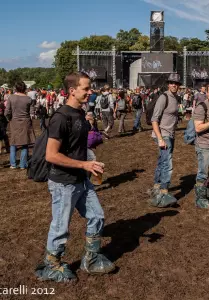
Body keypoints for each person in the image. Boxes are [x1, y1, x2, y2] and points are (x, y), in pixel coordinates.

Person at [35, 72, 115, 283]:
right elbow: (51, 155)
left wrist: (91, 162)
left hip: (81, 179)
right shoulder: (61, 117)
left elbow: (77, 147)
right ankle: (52, 264)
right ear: (72, 90)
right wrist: (84, 164)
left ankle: (91, 257)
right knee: (61, 227)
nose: (91, 92)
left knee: (97, 216)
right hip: (63, 183)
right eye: (86, 88)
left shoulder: (80, 113)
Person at [148, 73, 180, 208]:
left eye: (176, 83)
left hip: (170, 134)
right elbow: (154, 120)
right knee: (167, 163)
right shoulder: (164, 97)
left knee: (162, 161)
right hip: (163, 135)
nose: (174, 85)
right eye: (172, 82)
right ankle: (163, 191)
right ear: (168, 84)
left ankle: (156, 187)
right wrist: (160, 139)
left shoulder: (175, 98)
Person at [4, 81, 35, 169]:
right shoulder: (28, 99)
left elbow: (6, 112)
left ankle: (13, 164)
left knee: (13, 143)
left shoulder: (11, 97)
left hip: (14, 122)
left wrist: (9, 119)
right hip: (26, 122)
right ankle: (22, 164)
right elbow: (32, 113)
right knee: (25, 143)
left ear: (16, 88)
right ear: (24, 88)